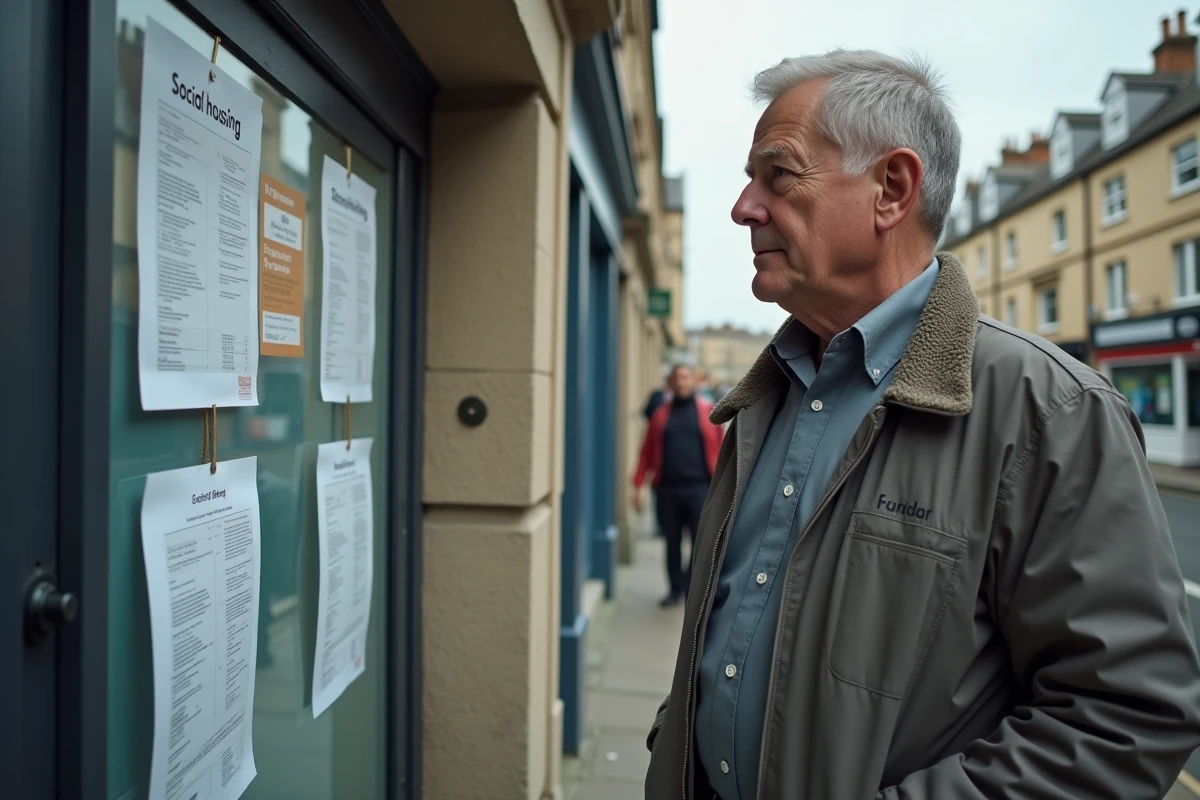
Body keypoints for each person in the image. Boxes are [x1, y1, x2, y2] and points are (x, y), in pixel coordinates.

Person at [644, 49, 1200, 800]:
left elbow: (1125, 717)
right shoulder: (764, 397)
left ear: (891, 189)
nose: (744, 207)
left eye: (778, 174)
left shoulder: (1049, 409)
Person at [633, 364, 724, 607]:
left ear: (694, 381)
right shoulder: (660, 415)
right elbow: (646, 452)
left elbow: (724, 451)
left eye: (686, 378)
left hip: (700, 488)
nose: (682, 382)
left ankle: (689, 586)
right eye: (677, 379)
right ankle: (674, 589)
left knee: (699, 543)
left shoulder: (709, 412)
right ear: (671, 384)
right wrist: (638, 485)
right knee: (671, 542)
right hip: (667, 490)